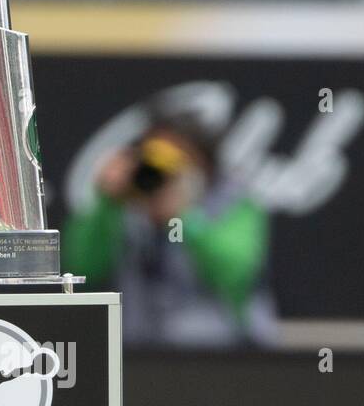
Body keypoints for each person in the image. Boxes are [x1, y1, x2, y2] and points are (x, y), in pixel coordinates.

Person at [62, 108, 277, 348]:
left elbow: (234, 273)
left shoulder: (234, 203)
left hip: (220, 356)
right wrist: (108, 202)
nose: (162, 173)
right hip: (137, 354)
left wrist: (182, 217)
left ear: (202, 163)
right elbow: (81, 266)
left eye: (176, 162)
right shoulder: (127, 205)